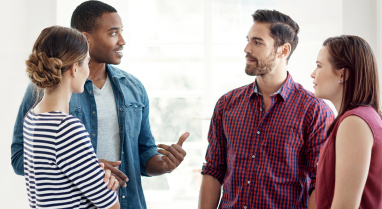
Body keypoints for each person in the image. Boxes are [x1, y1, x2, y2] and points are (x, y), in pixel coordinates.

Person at [11, 1, 189, 209]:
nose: (122, 41)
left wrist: (164, 165)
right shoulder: (43, 92)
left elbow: (143, 155)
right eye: (113, 33)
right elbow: (21, 158)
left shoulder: (134, 88)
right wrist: (86, 167)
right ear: (85, 38)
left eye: (121, 32)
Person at [198, 9, 335, 209]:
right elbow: (213, 171)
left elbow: (320, 184)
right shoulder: (226, 104)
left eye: (257, 42)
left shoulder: (314, 111)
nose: (246, 48)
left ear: (283, 50)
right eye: (248, 40)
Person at [23, 25, 120, 209]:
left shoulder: (32, 118)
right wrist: (109, 187)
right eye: (87, 62)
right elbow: (112, 206)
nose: (88, 71)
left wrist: (90, 168)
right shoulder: (66, 128)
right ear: (75, 68)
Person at [313, 35, 382, 208]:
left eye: (319, 66)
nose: (313, 74)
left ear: (342, 75)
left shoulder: (354, 122)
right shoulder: (364, 117)